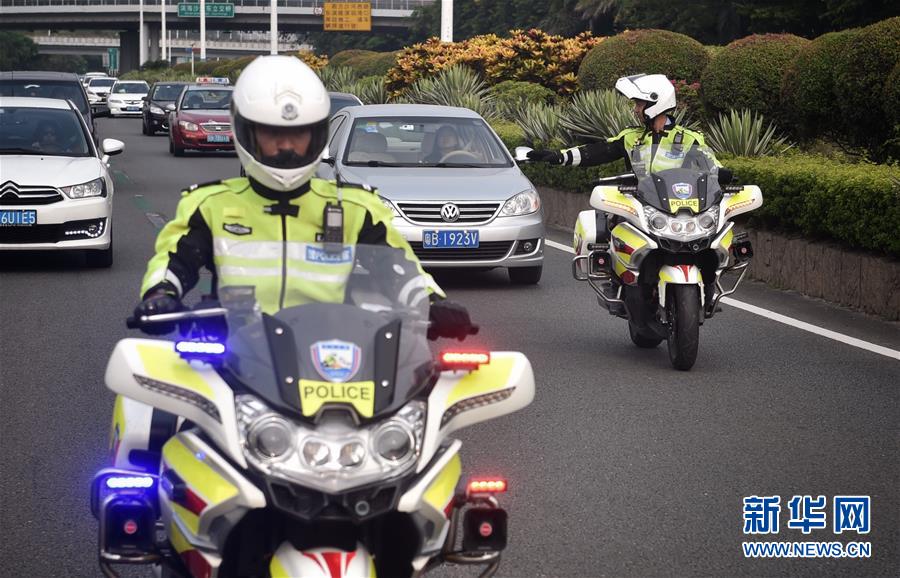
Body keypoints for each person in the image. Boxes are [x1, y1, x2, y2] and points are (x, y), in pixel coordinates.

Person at [133, 55, 474, 340]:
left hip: (332, 356)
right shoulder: (211, 205)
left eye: (297, 135)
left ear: (316, 135)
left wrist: (432, 301)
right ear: (246, 132)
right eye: (272, 135)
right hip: (235, 351)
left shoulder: (356, 209)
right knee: (166, 405)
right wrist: (161, 295)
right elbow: (173, 263)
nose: (286, 146)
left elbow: (399, 269)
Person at [527, 73, 732, 311]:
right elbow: (596, 152)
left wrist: (723, 174)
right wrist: (556, 157)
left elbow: (711, 166)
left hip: (678, 211)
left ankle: (707, 291)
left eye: (639, 104)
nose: (635, 110)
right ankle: (615, 277)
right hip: (640, 205)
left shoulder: (689, 140)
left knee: (709, 244)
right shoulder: (632, 138)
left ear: (656, 104)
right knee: (609, 226)